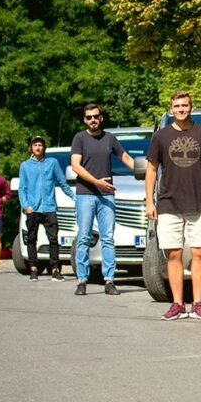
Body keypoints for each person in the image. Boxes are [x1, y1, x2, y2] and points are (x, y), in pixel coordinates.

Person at [145, 91, 201, 321]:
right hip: (169, 203)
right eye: (176, 106)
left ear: (192, 107)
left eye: (185, 105)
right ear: (171, 110)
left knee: (200, 252)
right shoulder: (161, 137)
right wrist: (150, 201)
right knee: (174, 253)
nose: (181, 109)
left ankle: (198, 303)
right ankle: (177, 304)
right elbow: (151, 169)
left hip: (199, 203)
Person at [70, 103, 134, 297]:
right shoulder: (79, 138)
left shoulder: (110, 138)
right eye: (89, 117)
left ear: (101, 118)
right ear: (84, 120)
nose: (93, 120)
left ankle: (109, 280)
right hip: (85, 194)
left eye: (96, 116)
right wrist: (97, 182)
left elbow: (126, 158)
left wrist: (147, 171)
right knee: (83, 238)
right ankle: (82, 280)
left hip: (106, 195)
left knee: (108, 239)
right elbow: (75, 166)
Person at [18, 135, 75, 281]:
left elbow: (62, 182)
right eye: (35, 145)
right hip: (33, 208)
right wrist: (26, 206)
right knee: (31, 239)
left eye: (40, 145)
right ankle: (33, 268)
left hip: (49, 207)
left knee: (54, 239)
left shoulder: (52, 163)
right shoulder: (25, 166)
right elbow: (22, 188)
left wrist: (75, 198)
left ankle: (55, 269)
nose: (38, 147)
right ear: (31, 148)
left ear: (44, 148)